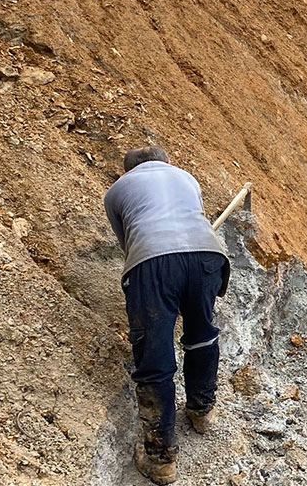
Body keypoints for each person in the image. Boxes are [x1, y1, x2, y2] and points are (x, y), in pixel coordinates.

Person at [104, 146, 229, 485]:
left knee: (155, 355)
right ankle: (203, 410)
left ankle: (161, 460)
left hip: (152, 261)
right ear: (166, 163)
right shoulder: (187, 178)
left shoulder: (116, 191)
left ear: (128, 171)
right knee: (202, 334)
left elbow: (130, 245)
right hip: (207, 255)